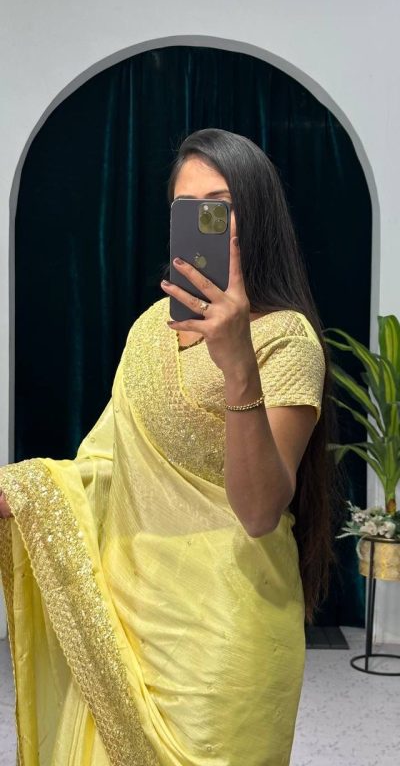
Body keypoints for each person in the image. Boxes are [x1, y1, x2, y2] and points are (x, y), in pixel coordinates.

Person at [0, 129, 343, 766]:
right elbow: (105, 464)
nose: (205, 224)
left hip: (224, 641)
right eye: (188, 210)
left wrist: (238, 363)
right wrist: (21, 493)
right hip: (128, 619)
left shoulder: (286, 339)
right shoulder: (147, 332)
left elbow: (259, 511)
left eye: (221, 207)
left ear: (257, 216)